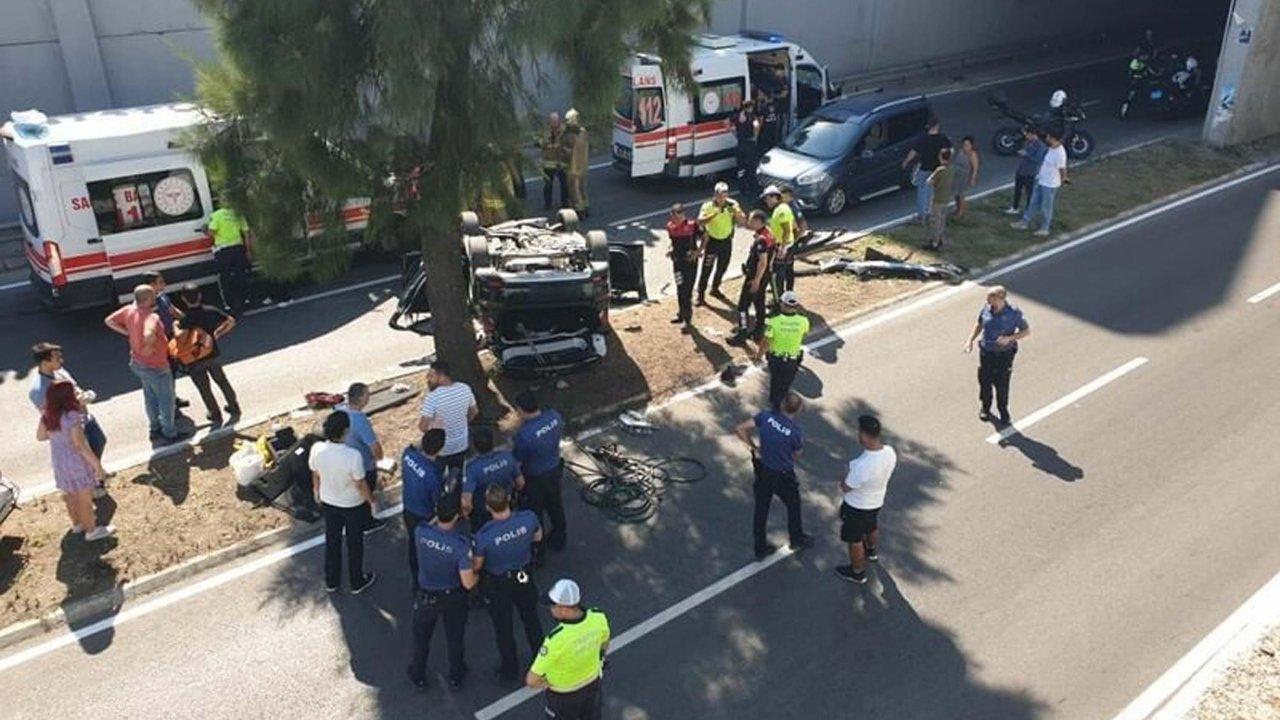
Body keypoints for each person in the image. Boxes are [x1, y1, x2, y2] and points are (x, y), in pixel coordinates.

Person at [474, 484, 544, 683]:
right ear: (509, 500)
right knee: (532, 620)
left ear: (488, 507)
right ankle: (541, 662)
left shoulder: (484, 536)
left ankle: (509, 670)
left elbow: (477, 565)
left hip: (498, 585)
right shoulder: (528, 518)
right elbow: (537, 538)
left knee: (503, 629)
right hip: (525, 576)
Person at [408, 495, 478, 691]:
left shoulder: (420, 532)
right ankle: (456, 674)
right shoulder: (460, 546)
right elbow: (468, 583)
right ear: (456, 517)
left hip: (425, 596)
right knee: (454, 637)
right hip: (452, 597)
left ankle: (418, 673)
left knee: (421, 637)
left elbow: (432, 523)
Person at [104, 285, 188, 445]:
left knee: (150, 397)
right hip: (156, 365)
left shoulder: (128, 310)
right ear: (148, 299)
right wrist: (146, 346)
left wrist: (128, 333)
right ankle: (169, 433)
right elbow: (148, 333)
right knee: (166, 400)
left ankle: (154, 428)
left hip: (138, 363)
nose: (156, 298)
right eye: (153, 296)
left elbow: (109, 321)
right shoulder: (151, 317)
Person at [735, 392, 812, 560]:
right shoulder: (794, 432)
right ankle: (796, 539)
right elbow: (797, 454)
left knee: (761, 509)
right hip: (783, 475)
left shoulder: (766, 416)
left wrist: (754, 447)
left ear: (783, 405)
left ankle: (760, 548)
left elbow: (740, 429)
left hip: (763, 471)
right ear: (797, 411)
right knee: (793, 505)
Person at [310, 411, 378, 594]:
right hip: (352, 505)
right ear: (346, 431)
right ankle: (357, 580)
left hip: (328, 502)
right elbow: (360, 483)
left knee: (332, 541)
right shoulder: (352, 456)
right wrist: (371, 501)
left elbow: (315, 473)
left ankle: (331, 580)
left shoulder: (316, 449)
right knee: (354, 543)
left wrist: (316, 491)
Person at [37, 381, 113, 541]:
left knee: (70, 495)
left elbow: (41, 436)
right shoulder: (72, 416)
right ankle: (92, 530)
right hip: (76, 462)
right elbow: (80, 445)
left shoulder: (48, 415)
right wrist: (97, 465)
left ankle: (77, 524)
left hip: (60, 461)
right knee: (84, 498)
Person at [526, 579, 610, 720]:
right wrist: (599, 660)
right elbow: (604, 643)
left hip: (564, 697)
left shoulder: (556, 640)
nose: (550, 609)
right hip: (592, 686)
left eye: (552, 606)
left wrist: (548, 683)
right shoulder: (598, 617)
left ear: (564, 609)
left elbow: (532, 680)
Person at [28, 342, 108, 475]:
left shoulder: (60, 372)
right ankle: (95, 480)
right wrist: (77, 402)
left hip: (85, 418)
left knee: (99, 442)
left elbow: (75, 388)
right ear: (45, 362)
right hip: (71, 428)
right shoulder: (38, 390)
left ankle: (96, 470)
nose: (62, 360)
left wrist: (83, 395)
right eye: (57, 358)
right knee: (84, 454)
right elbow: (50, 414)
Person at [836, 414, 897, 585]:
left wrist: (844, 474)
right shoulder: (890, 453)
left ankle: (857, 572)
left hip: (856, 506)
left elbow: (846, 487)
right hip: (876, 502)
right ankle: (871, 551)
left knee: (854, 539)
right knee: (871, 526)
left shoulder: (861, 465)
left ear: (863, 435)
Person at [964, 286, 1031, 426]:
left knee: (1001, 383)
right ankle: (986, 408)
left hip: (1004, 354)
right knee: (985, 380)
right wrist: (970, 340)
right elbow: (980, 323)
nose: (987, 300)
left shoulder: (1014, 313)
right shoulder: (986, 308)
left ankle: (1003, 411)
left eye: (990, 297)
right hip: (986, 352)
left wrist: (1010, 338)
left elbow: (1026, 331)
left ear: (1000, 298)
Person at [175, 284, 240, 427]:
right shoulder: (210, 310)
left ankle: (214, 414)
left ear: (183, 299)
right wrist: (218, 333)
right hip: (213, 354)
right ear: (199, 295)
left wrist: (175, 325)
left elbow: (179, 337)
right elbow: (231, 321)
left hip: (194, 359)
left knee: (204, 388)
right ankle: (234, 407)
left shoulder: (185, 319)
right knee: (222, 382)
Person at [512, 391, 565, 563]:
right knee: (555, 506)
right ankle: (559, 539)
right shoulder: (554, 417)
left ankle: (539, 553)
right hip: (555, 470)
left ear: (520, 410)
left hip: (535, 478)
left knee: (535, 515)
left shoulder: (524, 434)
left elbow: (518, 460)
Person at [337, 382, 389, 535]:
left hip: (344, 460)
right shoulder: (360, 420)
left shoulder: (341, 411)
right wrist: (379, 458)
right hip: (363, 465)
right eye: (367, 394)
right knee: (364, 493)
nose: (369, 397)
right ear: (360, 398)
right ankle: (366, 523)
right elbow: (374, 446)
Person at [402, 429, 447, 586]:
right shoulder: (433, 476)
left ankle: (416, 578)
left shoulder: (407, 455)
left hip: (408, 508)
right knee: (427, 547)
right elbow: (438, 500)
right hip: (424, 515)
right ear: (441, 449)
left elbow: (412, 446)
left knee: (413, 546)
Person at [418, 360, 479, 473]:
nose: (427, 378)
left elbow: (422, 427)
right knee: (457, 475)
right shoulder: (465, 388)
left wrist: (434, 431)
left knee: (437, 475)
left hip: (441, 449)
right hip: (462, 444)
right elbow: (474, 411)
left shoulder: (432, 398)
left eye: (431, 375)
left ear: (441, 377)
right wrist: (463, 422)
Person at [727, 210, 776, 346]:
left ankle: (742, 333)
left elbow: (763, 261)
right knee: (759, 302)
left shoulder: (761, 239)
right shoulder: (769, 233)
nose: (749, 222)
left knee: (743, 306)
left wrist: (756, 280)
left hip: (755, 276)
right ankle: (758, 331)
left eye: (752, 220)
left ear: (759, 222)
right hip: (765, 275)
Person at [756, 291, 810, 411]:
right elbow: (804, 334)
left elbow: (766, 342)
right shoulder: (804, 321)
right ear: (796, 305)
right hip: (792, 360)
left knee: (775, 382)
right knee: (785, 385)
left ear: (782, 304)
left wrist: (758, 356)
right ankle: (782, 404)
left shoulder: (773, 321)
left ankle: (775, 405)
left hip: (775, 359)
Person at [462, 426, 522, 533]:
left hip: (482, 512)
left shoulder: (472, 468)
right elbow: (521, 483)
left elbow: (467, 502)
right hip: (505, 504)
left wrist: (466, 513)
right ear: (492, 442)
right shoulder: (507, 457)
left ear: (474, 446)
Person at [696, 182, 745, 305]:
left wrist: (736, 212)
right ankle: (700, 295)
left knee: (722, 267)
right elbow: (700, 221)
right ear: (715, 194)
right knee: (706, 269)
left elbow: (742, 220)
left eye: (725, 194)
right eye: (720, 195)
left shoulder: (732, 204)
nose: (722, 198)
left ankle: (715, 288)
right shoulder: (707, 206)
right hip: (712, 242)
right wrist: (714, 214)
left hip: (726, 241)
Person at [1012, 130, 1068, 237]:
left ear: (1053, 138)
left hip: (1050, 184)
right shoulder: (1051, 148)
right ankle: (1024, 222)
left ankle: (1045, 228)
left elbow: (1062, 168)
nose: (1046, 138)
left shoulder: (1060, 153)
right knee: (1033, 203)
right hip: (1042, 180)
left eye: (1048, 137)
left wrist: (1063, 179)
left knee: (1046, 207)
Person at [902, 116, 952, 224]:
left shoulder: (923, 139)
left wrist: (906, 161)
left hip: (925, 168)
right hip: (937, 170)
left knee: (922, 192)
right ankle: (931, 214)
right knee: (932, 193)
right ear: (937, 125)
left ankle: (921, 216)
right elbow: (950, 151)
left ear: (928, 126)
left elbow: (913, 152)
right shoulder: (943, 138)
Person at [205, 202, 253, 314]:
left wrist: (205, 230)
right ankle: (245, 300)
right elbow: (246, 233)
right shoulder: (239, 214)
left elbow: (211, 233)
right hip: (238, 249)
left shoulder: (216, 215)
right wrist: (248, 251)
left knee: (224, 278)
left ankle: (229, 305)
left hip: (223, 251)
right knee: (240, 275)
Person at [666, 203, 700, 333]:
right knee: (680, 288)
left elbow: (705, 237)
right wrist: (670, 249)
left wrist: (698, 252)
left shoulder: (692, 226)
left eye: (677, 216)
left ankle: (688, 319)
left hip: (690, 263)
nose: (674, 219)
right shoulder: (670, 226)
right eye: (672, 216)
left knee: (687, 291)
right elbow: (672, 242)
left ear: (683, 215)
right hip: (677, 263)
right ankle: (681, 314)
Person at [762, 185, 796, 297]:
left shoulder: (781, 210)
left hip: (782, 246)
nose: (766, 201)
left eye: (767, 198)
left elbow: (786, 229)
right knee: (788, 271)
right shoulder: (782, 208)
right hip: (788, 245)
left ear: (774, 197)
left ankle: (778, 302)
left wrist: (782, 248)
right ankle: (788, 297)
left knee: (776, 276)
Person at [1004, 127, 1046, 215]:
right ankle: (1015, 207)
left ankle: (1029, 209)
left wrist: (1026, 155)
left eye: (1027, 134)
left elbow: (1038, 159)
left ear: (1033, 134)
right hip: (1021, 169)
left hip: (1030, 172)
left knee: (1029, 192)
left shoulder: (1040, 146)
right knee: (1017, 190)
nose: (1026, 136)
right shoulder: (1028, 142)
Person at [926, 147, 955, 250]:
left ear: (940, 157)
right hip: (946, 198)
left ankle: (935, 242)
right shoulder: (952, 169)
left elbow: (929, 181)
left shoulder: (940, 170)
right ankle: (942, 239)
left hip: (938, 198)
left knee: (935, 220)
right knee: (942, 219)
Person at [562, 109, 590, 218]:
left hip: (572, 168)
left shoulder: (569, 136)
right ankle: (586, 207)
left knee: (574, 190)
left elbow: (566, 151)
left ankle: (579, 210)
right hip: (583, 166)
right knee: (583, 188)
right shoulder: (583, 132)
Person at [538, 112, 567, 210]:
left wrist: (554, 147)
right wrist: (544, 143)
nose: (553, 123)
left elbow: (565, 143)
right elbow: (541, 142)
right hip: (548, 163)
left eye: (555, 121)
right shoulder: (546, 131)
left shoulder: (563, 130)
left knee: (564, 183)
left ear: (559, 121)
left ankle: (565, 202)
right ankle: (547, 204)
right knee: (548, 184)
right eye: (551, 121)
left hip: (560, 162)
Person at [732, 100, 760, 192]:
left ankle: (742, 186)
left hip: (740, 145)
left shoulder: (737, 116)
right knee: (751, 167)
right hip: (749, 145)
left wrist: (736, 135)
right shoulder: (752, 117)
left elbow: (729, 124)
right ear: (750, 107)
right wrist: (755, 137)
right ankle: (751, 187)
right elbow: (756, 126)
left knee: (741, 168)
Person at [951, 136, 980, 219]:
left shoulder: (972, 154)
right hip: (956, 174)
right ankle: (957, 208)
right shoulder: (960, 151)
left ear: (971, 145)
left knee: (961, 194)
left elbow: (975, 168)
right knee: (956, 194)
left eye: (967, 144)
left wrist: (973, 179)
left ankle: (961, 211)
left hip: (964, 175)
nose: (965, 146)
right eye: (964, 144)